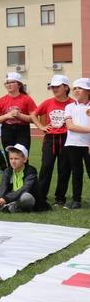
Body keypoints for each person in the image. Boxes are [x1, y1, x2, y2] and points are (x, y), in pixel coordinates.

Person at [31, 75, 73, 206]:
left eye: (57, 86)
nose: (54, 89)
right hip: (50, 138)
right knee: (46, 167)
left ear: (66, 87)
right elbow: (33, 114)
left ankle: (60, 198)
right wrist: (41, 126)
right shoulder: (48, 102)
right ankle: (41, 196)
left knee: (64, 169)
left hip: (67, 138)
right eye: (52, 87)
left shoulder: (72, 103)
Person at [0, 144, 44, 213]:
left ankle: (5, 206)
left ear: (24, 159)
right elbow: (3, 186)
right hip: (10, 197)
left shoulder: (31, 171)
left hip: (21, 197)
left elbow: (24, 189)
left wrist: (6, 199)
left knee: (26, 197)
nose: (13, 161)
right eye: (11, 159)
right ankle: (3, 206)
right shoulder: (8, 170)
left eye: (16, 159)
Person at [0, 72, 37, 153]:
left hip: (22, 131)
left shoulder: (27, 99)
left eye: (12, 82)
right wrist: (6, 116)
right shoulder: (1, 100)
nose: (9, 85)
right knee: (9, 156)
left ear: (19, 85)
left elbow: (34, 119)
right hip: (7, 130)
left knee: (22, 156)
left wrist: (20, 115)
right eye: (7, 83)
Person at [63, 78, 90, 209]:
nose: (76, 91)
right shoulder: (69, 107)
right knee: (76, 172)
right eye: (75, 88)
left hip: (88, 145)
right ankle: (76, 200)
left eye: (80, 88)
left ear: (88, 91)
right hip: (72, 144)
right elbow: (70, 126)